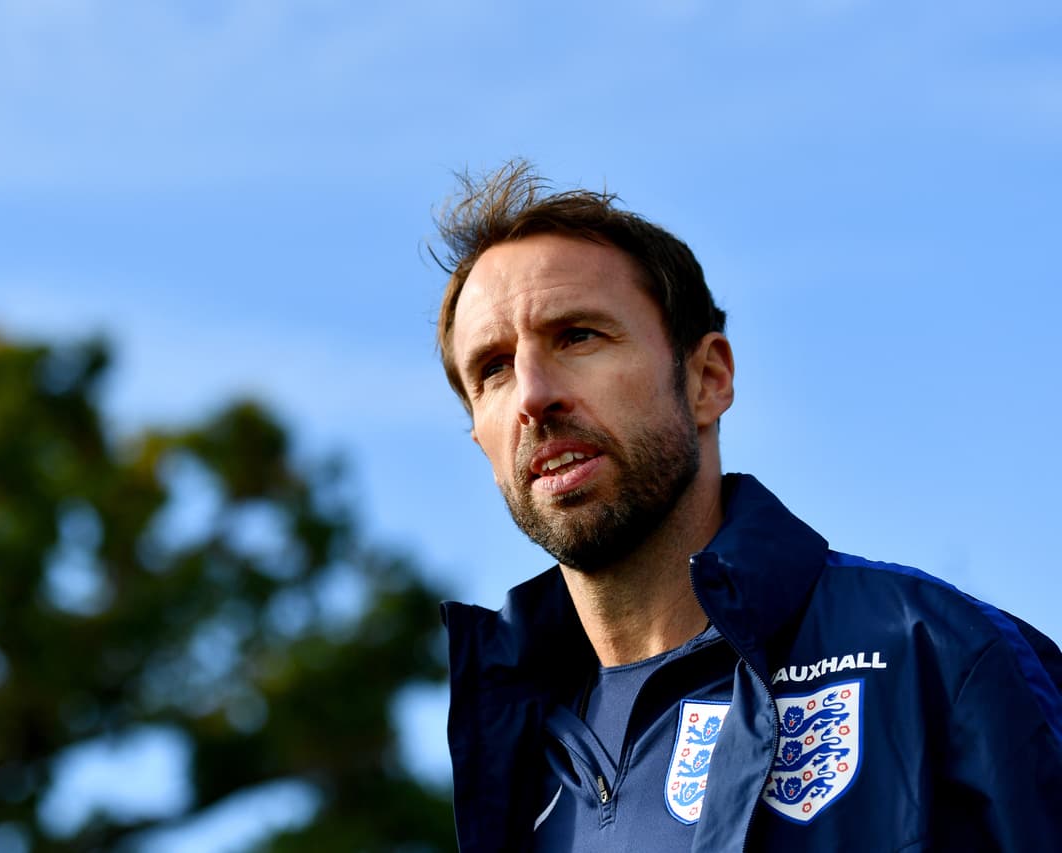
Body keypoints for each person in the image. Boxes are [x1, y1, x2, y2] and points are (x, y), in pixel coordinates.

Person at [431, 161, 1062, 852]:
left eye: (578, 335)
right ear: (480, 439)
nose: (531, 395)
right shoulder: (510, 746)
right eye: (491, 368)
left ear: (707, 379)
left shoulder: (937, 657)